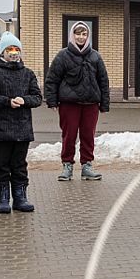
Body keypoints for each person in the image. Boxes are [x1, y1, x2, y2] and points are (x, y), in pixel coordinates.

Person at [0, 32, 41, 213]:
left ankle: (20, 197)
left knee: (19, 165)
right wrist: (6, 101)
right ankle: (3, 198)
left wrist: (24, 100)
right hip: (1, 129)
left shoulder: (28, 73)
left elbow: (37, 97)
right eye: (9, 49)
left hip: (22, 129)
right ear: (2, 52)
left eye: (16, 49)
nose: (13, 53)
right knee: (2, 165)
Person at [44, 21, 110, 182]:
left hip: (91, 104)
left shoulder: (95, 56)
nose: (81, 37)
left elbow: (103, 80)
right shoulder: (62, 56)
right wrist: (52, 101)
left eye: (84, 34)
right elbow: (52, 79)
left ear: (88, 36)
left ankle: (87, 165)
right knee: (69, 135)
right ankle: (67, 165)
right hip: (69, 104)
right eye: (77, 33)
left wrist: (104, 103)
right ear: (72, 35)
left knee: (88, 136)